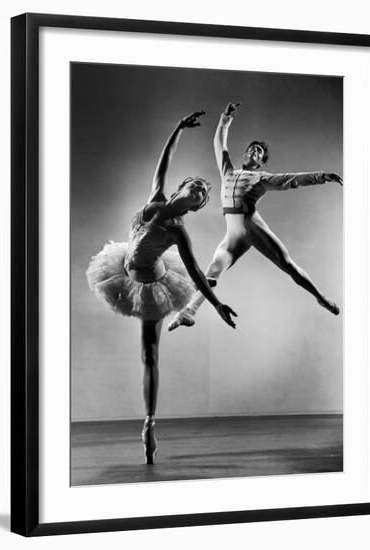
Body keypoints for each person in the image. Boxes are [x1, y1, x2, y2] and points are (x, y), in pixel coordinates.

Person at [86, 111, 237, 465]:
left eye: (203, 195)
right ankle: (149, 421)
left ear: (196, 207)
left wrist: (215, 305)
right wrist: (178, 129)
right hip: (123, 271)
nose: (200, 191)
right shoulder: (154, 197)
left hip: (153, 285)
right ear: (182, 187)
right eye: (197, 185)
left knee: (149, 355)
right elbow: (163, 163)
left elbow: (197, 273)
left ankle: (149, 423)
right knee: (147, 354)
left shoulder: (177, 231)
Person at [168, 102, 343, 332]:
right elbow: (219, 144)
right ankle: (188, 312)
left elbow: (292, 179)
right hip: (232, 232)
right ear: (245, 153)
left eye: (259, 151)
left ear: (261, 162)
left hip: (252, 225)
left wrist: (322, 176)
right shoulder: (228, 171)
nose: (254, 151)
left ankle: (320, 297)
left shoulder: (260, 178)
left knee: (288, 265)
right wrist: (225, 119)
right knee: (212, 271)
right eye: (252, 148)